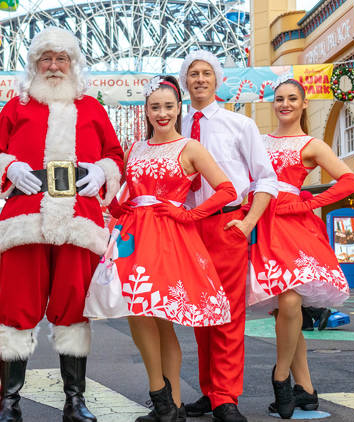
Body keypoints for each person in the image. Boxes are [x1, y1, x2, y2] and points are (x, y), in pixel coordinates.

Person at [0, 27, 124, 422]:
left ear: (73, 63)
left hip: (79, 220)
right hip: (26, 218)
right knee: (15, 307)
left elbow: (116, 156)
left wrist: (102, 171)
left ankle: (75, 401)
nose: (54, 65)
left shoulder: (92, 107)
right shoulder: (17, 107)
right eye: (47, 58)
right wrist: (10, 166)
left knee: (74, 306)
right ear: (35, 64)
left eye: (61, 58)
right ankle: (9, 403)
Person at [105, 75, 237, 422]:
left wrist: (190, 213)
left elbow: (226, 190)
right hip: (133, 236)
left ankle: (165, 399)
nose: (161, 113)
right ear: (146, 111)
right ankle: (169, 404)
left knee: (158, 318)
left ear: (179, 108)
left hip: (170, 237)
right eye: (154, 107)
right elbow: (129, 194)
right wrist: (116, 208)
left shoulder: (190, 147)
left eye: (168, 106)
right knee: (140, 312)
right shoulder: (134, 148)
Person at [246, 79, 354, 418]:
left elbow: (350, 180)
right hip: (263, 225)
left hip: (295, 226)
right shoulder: (259, 140)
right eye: (279, 99)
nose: (285, 104)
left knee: (291, 299)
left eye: (292, 99)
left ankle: (281, 376)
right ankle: (306, 388)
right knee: (284, 310)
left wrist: (310, 203)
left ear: (304, 103)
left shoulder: (311, 144)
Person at [178, 50, 279, 422]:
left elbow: (265, 178)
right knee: (200, 314)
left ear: (217, 79)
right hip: (187, 229)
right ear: (185, 81)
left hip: (227, 224)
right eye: (193, 74)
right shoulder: (176, 125)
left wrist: (249, 222)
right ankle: (209, 391)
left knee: (229, 315)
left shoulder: (241, 125)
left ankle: (226, 396)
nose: (200, 79)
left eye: (206, 73)